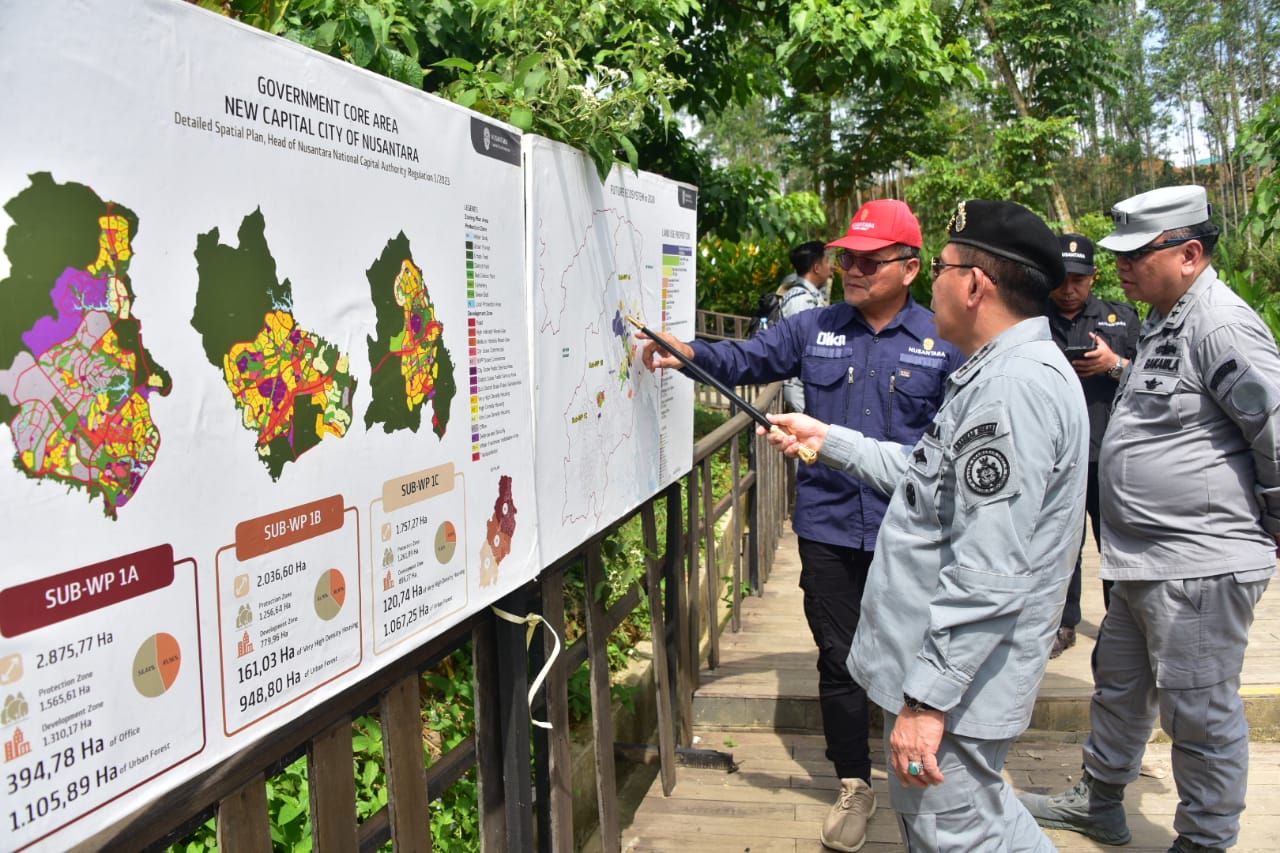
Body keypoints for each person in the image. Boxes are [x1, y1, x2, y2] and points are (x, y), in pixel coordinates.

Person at [765, 199, 1089, 852]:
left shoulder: (1012, 390)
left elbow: (988, 572)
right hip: (954, 679)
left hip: (958, 690)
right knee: (978, 820)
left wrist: (926, 703)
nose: (931, 280)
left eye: (939, 266)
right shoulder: (998, 373)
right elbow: (927, 473)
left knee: (959, 831)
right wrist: (828, 438)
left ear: (974, 284)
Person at [639, 199, 961, 852]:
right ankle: (853, 781)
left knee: (917, 659)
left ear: (910, 267)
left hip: (913, 532)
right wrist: (688, 351)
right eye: (847, 258)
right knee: (839, 661)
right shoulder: (813, 328)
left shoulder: (946, 340)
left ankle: (925, 778)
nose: (853, 269)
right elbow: (748, 359)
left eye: (871, 260)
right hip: (829, 524)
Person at [1021, 186, 1280, 853]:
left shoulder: (1221, 322)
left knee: (1199, 712)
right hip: (1142, 560)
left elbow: (1273, 427)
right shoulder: (1167, 317)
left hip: (1198, 561)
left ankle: (1204, 837)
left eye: (1138, 253)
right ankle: (1101, 800)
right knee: (1121, 686)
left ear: (1190, 253)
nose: (1122, 267)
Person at [1044, 233, 1139, 657]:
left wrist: (1112, 364)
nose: (1069, 290)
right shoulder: (1033, 321)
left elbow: (1153, 378)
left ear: (1093, 277)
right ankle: (1063, 622)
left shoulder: (1122, 319)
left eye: (1079, 280)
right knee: (1061, 544)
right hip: (1053, 456)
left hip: (1110, 453)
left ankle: (1120, 624)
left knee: (1115, 543)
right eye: (1062, 279)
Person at [776, 240, 833, 410]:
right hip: (799, 382)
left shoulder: (809, 295)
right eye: (826, 262)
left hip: (807, 378)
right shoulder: (800, 299)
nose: (830, 267)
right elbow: (801, 342)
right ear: (816, 268)